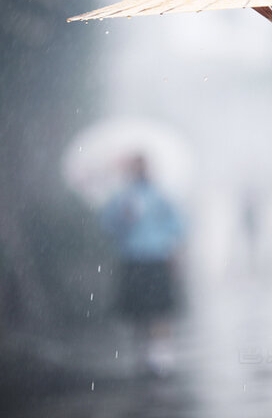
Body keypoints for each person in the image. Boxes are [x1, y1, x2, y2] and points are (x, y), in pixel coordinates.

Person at [101, 155, 184, 377]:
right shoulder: (121, 197)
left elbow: (177, 224)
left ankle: (161, 357)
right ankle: (142, 355)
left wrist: (172, 248)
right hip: (133, 258)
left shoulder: (160, 196)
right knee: (138, 311)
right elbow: (108, 226)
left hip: (156, 256)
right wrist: (122, 218)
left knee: (160, 308)